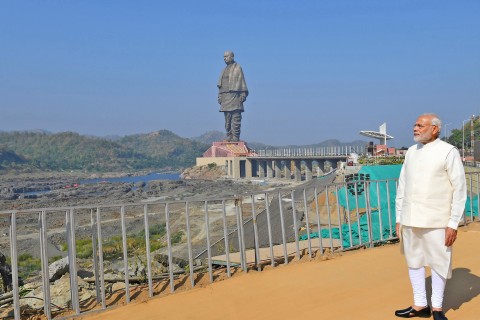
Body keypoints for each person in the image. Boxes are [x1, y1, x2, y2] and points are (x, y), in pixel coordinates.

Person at [395, 113, 467, 320]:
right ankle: (420, 305)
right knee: (414, 261)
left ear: (434, 129)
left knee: (439, 262)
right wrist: (399, 217)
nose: (415, 128)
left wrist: (453, 223)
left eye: (420, 125)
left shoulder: (448, 151)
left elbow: (459, 190)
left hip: (438, 220)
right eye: (414, 125)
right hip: (410, 218)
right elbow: (403, 186)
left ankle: (436, 307)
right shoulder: (410, 152)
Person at [217, 50, 248, 142]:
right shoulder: (223, 70)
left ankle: (235, 137)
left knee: (235, 117)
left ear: (232, 57)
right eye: (223, 57)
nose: (224, 58)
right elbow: (220, 85)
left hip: (235, 96)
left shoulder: (237, 68)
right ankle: (229, 135)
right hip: (225, 96)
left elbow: (241, 82)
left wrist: (243, 94)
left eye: (226, 56)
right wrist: (219, 96)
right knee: (227, 119)